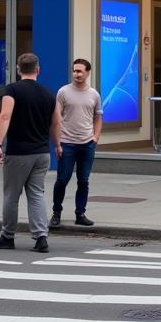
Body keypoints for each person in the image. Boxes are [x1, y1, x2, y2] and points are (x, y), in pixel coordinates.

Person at [0, 52, 60, 253]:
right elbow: (56, 123)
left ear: (18, 70)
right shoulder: (48, 93)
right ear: (38, 69)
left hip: (19, 153)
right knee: (37, 194)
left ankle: (7, 236)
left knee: (11, 195)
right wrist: (58, 145)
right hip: (41, 153)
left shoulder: (12, 90)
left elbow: (4, 116)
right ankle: (41, 237)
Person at [50, 58, 103, 228]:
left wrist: (95, 138)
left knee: (84, 180)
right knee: (62, 179)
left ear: (88, 73)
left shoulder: (94, 94)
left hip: (87, 144)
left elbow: (98, 117)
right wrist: (58, 143)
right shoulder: (63, 92)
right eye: (74, 70)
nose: (76, 74)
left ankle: (80, 213)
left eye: (80, 71)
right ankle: (56, 212)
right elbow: (56, 119)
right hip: (67, 143)